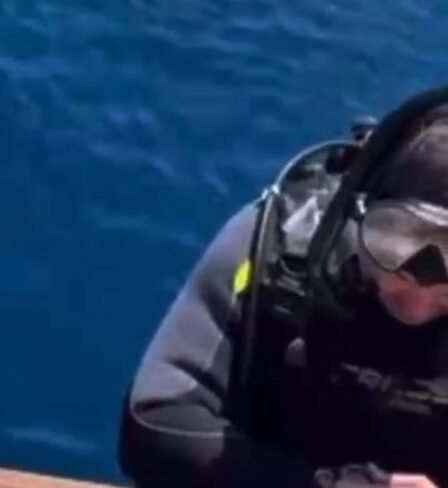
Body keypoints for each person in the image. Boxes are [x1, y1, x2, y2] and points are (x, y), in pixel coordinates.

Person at [119, 85, 448, 488]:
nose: (420, 299)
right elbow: (153, 426)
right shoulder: (281, 248)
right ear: (358, 208)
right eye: (397, 240)